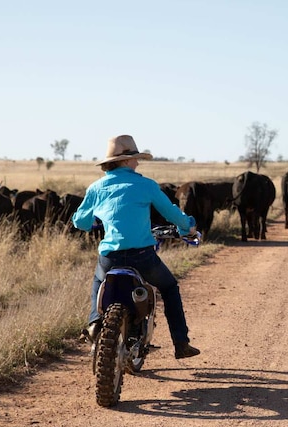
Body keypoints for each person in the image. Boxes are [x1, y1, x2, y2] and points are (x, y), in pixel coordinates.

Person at [72, 134, 201, 359]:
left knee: (98, 281)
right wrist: (187, 227)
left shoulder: (96, 188)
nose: (137, 163)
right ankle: (181, 343)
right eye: (135, 158)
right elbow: (172, 213)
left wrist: (95, 221)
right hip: (142, 257)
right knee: (169, 287)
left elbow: (80, 222)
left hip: (109, 257)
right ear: (124, 160)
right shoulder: (146, 185)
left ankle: (94, 322)